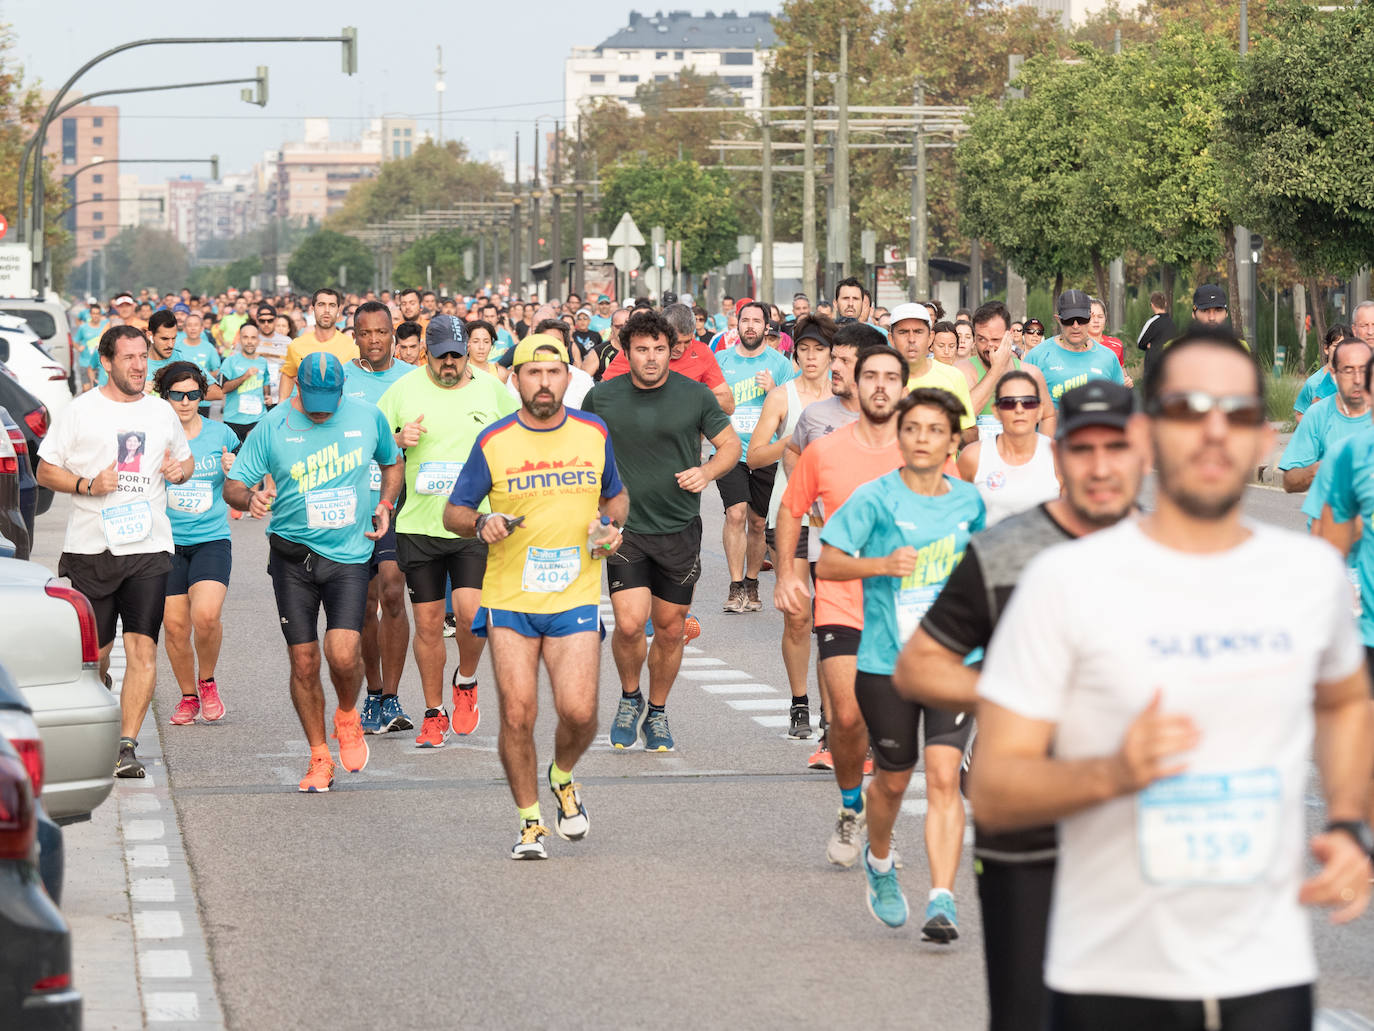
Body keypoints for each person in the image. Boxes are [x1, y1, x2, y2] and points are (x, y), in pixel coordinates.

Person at [974, 328, 1373, 1029]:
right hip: (1112, 977)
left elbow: (1344, 700)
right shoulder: (1065, 581)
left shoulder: (1306, 577)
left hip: (1269, 975)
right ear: (1151, 434)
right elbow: (998, 789)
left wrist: (1346, 820)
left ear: (1263, 440)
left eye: (1238, 411)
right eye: (1189, 408)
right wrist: (1113, 770)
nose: (1214, 430)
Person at [896, 379, 1145, 1031]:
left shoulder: (1171, 555)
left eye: (1115, 447)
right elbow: (919, 663)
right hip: (1025, 821)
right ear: (1057, 458)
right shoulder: (1004, 552)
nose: (1099, 464)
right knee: (1028, 1011)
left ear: (1140, 454)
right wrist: (1015, 692)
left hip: (1137, 825)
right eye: (1082, 448)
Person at [445, 334, 629, 859]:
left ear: (567, 378)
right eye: (532, 373)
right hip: (509, 599)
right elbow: (453, 511)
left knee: (580, 713)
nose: (543, 383)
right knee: (518, 714)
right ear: (516, 378)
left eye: (553, 373)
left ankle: (562, 774)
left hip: (574, 594)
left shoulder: (593, 432)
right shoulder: (495, 440)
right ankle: (530, 823)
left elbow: (615, 494)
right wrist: (483, 521)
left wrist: (610, 526)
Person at [817, 387, 984, 939]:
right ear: (900, 435)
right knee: (891, 782)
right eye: (912, 429)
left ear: (953, 441)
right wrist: (881, 564)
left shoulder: (969, 503)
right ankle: (880, 861)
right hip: (887, 660)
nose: (922, 440)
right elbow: (830, 565)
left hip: (953, 663)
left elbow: (984, 577)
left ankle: (942, 900)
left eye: (935, 430)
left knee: (942, 776)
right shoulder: (875, 498)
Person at [224, 353, 402, 792]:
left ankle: (346, 713)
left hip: (348, 555)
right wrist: (249, 500)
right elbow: (234, 484)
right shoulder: (273, 425)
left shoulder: (367, 416)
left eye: (332, 399)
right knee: (304, 661)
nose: (324, 408)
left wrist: (385, 505)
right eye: (314, 398)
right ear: (297, 388)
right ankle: (319, 755)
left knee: (343, 653)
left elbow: (392, 462)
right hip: (292, 557)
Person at [35, 324, 194, 777]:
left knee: (143, 647)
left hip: (149, 547)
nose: (140, 366)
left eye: (143, 357)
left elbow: (184, 460)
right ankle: (99, 700)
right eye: (129, 358)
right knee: (98, 656)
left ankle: (126, 745)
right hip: (92, 548)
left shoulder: (162, 412)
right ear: (107, 362)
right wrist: (87, 484)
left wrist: (179, 472)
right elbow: (45, 470)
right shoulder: (81, 411)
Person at [776, 346, 910, 866]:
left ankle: (880, 823)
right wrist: (787, 572)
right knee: (849, 721)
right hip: (842, 602)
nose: (879, 385)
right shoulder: (825, 451)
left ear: (903, 386)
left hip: (908, 609)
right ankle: (851, 807)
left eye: (890, 377)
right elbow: (791, 511)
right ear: (855, 380)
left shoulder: (922, 447)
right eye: (869, 375)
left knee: (892, 731)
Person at [581, 310, 739, 753]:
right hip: (624, 529)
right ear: (625, 352)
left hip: (679, 527)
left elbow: (730, 445)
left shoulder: (695, 396)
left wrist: (706, 472)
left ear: (673, 351)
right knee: (630, 625)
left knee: (669, 629)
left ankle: (658, 710)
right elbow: (580, 451)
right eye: (641, 350)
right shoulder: (602, 398)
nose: (651, 358)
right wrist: (595, 514)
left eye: (659, 350)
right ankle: (630, 698)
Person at [378, 315, 518, 747]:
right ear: (428, 353)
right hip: (420, 524)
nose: (451, 364)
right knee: (428, 624)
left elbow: (519, 437)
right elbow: (376, 442)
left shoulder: (492, 388)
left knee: (473, 614)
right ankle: (433, 711)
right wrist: (399, 439)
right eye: (442, 357)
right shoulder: (402, 390)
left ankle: (467, 681)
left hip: (474, 523)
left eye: (457, 355)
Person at [746, 315, 834, 738]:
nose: (812, 356)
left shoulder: (845, 395)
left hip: (836, 518)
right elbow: (756, 456)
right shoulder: (782, 396)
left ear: (832, 353)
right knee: (797, 616)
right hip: (792, 513)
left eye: (819, 349)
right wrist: (795, 437)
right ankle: (800, 701)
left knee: (834, 619)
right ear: (794, 352)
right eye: (804, 349)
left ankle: (832, 711)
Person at [340, 302, 416, 736]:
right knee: (365, 601)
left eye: (382, 333)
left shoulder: (411, 378)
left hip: (396, 500)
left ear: (393, 334)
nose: (374, 340)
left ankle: (392, 696)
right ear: (356, 336)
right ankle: (372, 692)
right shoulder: (342, 381)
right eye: (365, 333)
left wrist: (405, 442)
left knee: (392, 589)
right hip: (351, 504)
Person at [154, 362, 239, 726]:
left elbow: (246, 480)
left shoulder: (222, 434)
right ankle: (188, 696)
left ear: (202, 395)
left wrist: (235, 469)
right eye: (177, 394)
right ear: (165, 396)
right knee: (174, 626)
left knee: (205, 616)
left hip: (211, 538)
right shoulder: (154, 435)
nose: (185, 401)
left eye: (192, 394)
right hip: (165, 542)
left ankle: (207, 682)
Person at [716, 301, 797, 613]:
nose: (750, 326)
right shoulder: (721, 360)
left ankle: (751, 581)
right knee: (735, 514)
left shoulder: (779, 364)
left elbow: (791, 411)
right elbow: (708, 403)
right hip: (730, 450)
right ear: (737, 325)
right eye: (744, 320)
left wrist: (774, 389)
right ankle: (736, 586)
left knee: (758, 522)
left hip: (765, 453)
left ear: (767, 327)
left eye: (756, 321)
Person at [958, 370, 1061, 527]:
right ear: (996, 411)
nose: (1019, 409)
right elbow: (958, 516)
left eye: (1028, 402)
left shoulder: (1058, 456)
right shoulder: (973, 457)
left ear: (1040, 410)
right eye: (1009, 403)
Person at [1280, 337, 1372, 495]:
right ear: (1333, 373)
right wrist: (1321, 468)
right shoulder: (1317, 414)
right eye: (1349, 370)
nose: (1357, 380)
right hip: (1329, 516)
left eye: (1363, 370)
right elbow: (1289, 481)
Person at [602, 305, 733, 414]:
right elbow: (603, 395)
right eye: (675, 342)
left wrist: (688, 397)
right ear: (662, 331)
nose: (681, 349)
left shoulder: (702, 352)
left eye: (687, 341)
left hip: (686, 443)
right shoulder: (639, 350)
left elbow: (728, 405)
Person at [888, 303, 977, 446]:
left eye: (918, 332)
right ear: (891, 339)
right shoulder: (879, 381)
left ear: (930, 337)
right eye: (903, 332)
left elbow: (971, 432)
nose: (911, 339)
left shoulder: (953, 376)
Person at [1022, 289, 1129, 408]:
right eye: (1069, 320)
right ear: (1058, 320)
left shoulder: (1108, 357)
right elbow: (1021, 403)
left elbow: (1121, 406)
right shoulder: (1037, 356)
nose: (1076, 326)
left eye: (1082, 319)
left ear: (1089, 318)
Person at [965, 301, 1056, 440]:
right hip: (976, 459)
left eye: (996, 339)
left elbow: (1048, 416)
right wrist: (996, 369)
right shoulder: (962, 371)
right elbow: (964, 416)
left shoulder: (1030, 373)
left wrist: (1042, 452)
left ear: (1009, 336)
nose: (989, 346)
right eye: (981, 339)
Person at [278, 288, 358, 403]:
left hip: (340, 413)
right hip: (305, 414)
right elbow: (288, 374)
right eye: (321, 305)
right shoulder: (297, 345)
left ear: (338, 310)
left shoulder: (352, 348)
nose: (326, 310)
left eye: (332, 305)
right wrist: (282, 404)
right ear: (312, 309)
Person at [220, 321, 271, 443]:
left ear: (258, 340)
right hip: (233, 419)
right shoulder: (230, 361)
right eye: (245, 337)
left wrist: (267, 396)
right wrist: (244, 377)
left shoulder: (263, 362)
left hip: (257, 418)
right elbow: (223, 389)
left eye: (253, 338)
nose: (249, 342)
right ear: (240, 339)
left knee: (255, 459)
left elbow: (266, 383)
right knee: (233, 459)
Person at [1292, 326, 1344, 425]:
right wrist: (1315, 430)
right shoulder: (1313, 383)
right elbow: (1300, 414)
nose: (1341, 350)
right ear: (1326, 348)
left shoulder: (1358, 380)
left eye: (1345, 345)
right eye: (1336, 345)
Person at [1135, 290, 1176, 356]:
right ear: (1165, 303)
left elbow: (1140, 343)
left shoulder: (1151, 322)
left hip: (1153, 362)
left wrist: (1152, 346)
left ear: (1152, 305)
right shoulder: (1172, 323)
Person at [1087, 297, 1125, 366]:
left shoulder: (1116, 344)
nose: (1096, 321)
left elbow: (1121, 372)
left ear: (1105, 319)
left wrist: (1126, 377)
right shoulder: (1076, 347)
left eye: (1100, 317)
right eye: (1091, 317)